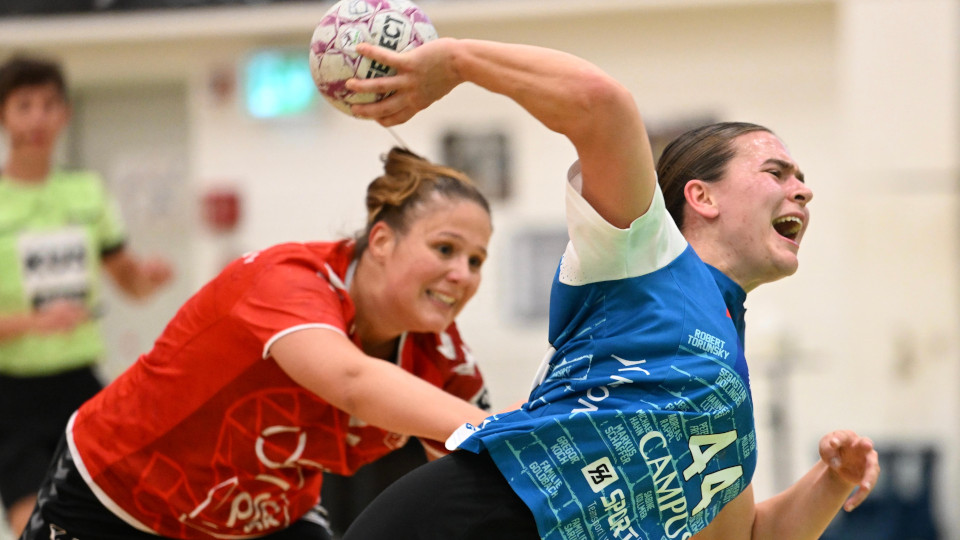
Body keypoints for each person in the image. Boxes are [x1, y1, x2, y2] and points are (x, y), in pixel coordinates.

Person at [339, 39, 880, 540]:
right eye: (777, 172)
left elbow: (749, 535)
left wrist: (833, 479)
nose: (803, 190)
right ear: (702, 198)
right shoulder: (645, 252)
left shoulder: (725, 386)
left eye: (800, 178)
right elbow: (601, 104)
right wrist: (455, 61)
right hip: (467, 519)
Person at [17, 146, 494, 540]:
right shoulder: (288, 280)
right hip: (120, 498)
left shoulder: (444, 357)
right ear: (383, 241)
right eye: (445, 248)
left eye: (476, 261)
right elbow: (352, 381)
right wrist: (501, 430)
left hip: (260, 517)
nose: (463, 274)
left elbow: (485, 472)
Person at [0, 53, 174, 537]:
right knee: (33, 522)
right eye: (24, 105)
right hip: (13, 390)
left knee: (115, 512)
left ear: (65, 114)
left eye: (49, 105)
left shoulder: (87, 192)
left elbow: (129, 282)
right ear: (4, 115)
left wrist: (148, 277)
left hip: (79, 384)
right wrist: (35, 323)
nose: (37, 118)